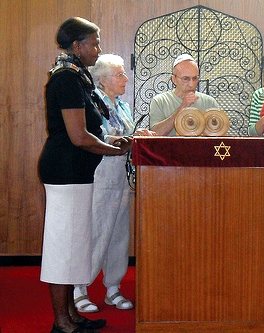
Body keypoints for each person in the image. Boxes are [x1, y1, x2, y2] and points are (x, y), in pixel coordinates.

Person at [38, 17, 133, 333]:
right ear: (76, 46)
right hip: (65, 171)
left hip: (77, 172)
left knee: (75, 245)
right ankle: (62, 323)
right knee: (61, 249)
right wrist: (113, 149)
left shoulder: (78, 77)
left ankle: (72, 315)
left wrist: (109, 140)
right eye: (94, 43)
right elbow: (78, 137)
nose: (98, 48)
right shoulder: (66, 78)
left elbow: (90, 131)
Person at [73, 54, 156, 313]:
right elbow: (98, 137)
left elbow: (124, 135)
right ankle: (79, 288)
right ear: (103, 80)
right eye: (119, 74)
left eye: (123, 73)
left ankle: (112, 288)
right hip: (102, 174)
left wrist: (137, 135)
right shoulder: (93, 103)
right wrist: (127, 138)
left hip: (122, 176)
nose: (125, 78)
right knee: (96, 232)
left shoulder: (122, 105)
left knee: (119, 234)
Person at [149, 54, 219, 135]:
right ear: (174, 79)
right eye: (186, 79)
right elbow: (155, 135)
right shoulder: (160, 101)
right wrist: (182, 107)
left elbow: (221, 137)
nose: (191, 84)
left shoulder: (209, 102)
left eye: (195, 78)